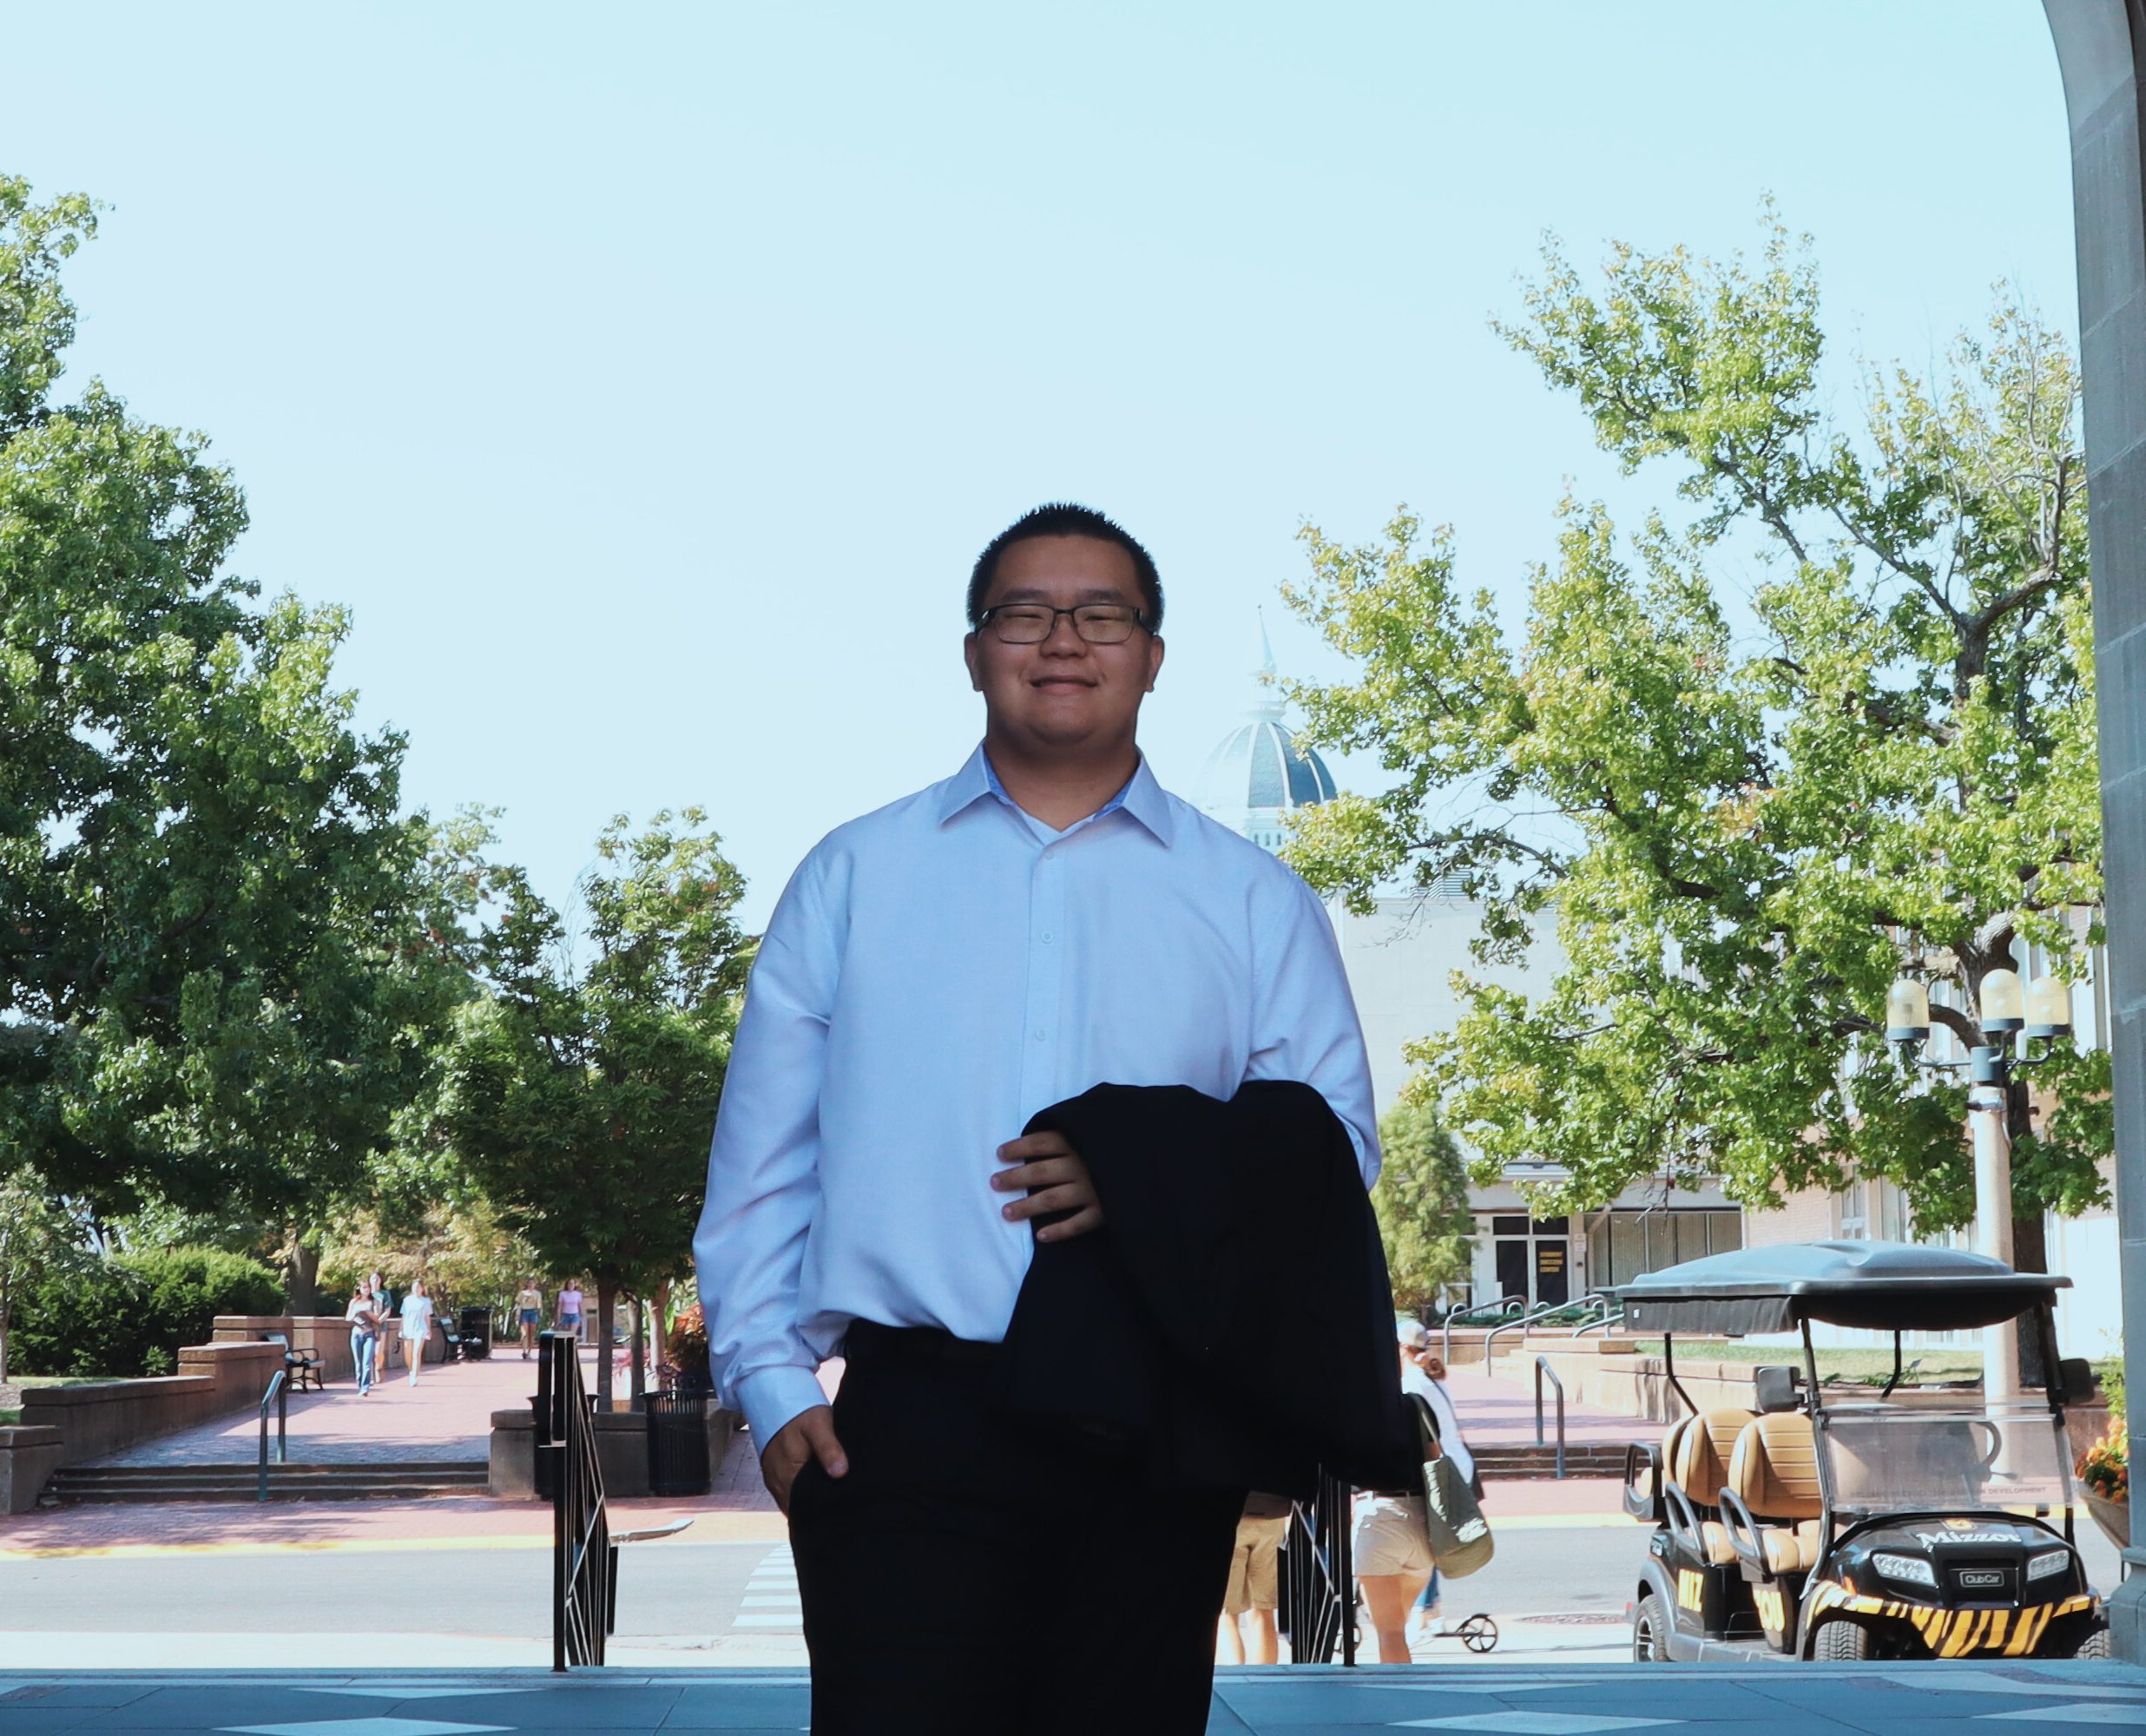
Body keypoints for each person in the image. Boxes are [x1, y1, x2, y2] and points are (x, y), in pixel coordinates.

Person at [694, 503, 1379, 1734]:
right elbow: (761, 1161)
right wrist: (770, 1380)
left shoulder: (1254, 902)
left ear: (1152, 655)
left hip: (1153, 1426)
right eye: (1025, 612)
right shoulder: (855, 876)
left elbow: (1334, 1151)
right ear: (975, 650)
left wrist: (1150, 1168)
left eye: (1102, 614)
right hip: (903, 1429)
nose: (1063, 639)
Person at [1397, 1319, 1477, 1646]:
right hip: (1458, 1466)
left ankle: (1422, 1612)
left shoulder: (1413, 1384)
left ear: (1403, 1348)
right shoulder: (1430, 1379)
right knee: (1433, 1539)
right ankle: (1431, 1610)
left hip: (1442, 1470)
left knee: (1427, 1542)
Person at [1216, 1495, 1290, 1666]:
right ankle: (1264, 1678)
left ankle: (1237, 1677)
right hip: (1272, 1512)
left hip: (1230, 1513)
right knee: (1263, 1611)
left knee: (1226, 1613)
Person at [345, 1279, 380, 1397]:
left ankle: (365, 1387)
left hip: (369, 1334)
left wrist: (368, 1312)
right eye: (363, 1287)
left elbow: (377, 1319)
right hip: (356, 1334)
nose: (366, 1289)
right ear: (359, 1288)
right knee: (358, 1363)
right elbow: (348, 1317)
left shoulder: (374, 1302)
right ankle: (360, 1385)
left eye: (368, 1287)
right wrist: (355, 1313)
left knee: (367, 1362)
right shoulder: (354, 1302)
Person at [399, 1277, 436, 1386]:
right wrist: (401, 1329)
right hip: (408, 1327)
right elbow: (404, 1316)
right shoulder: (407, 1300)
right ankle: (411, 1370)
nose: (416, 1289)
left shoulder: (426, 1301)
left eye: (418, 1287)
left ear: (422, 1289)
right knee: (408, 1353)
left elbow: (427, 1317)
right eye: (414, 1287)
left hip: (420, 1328)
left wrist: (429, 1330)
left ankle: (414, 1376)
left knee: (416, 1353)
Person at [368, 1271, 392, 1386]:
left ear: (381, 1281)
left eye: (377, 1279)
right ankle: (371, 1376)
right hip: (367, 1327)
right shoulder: (366, 1293)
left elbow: (387, 1311)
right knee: (369, 1352)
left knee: (378, 1352)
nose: (375, 1281)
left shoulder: (385, 1294)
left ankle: (379, 1367)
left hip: (381, 1326)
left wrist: (378, 1321)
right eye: (372, 1279)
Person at [517, 1279, 544, 1358]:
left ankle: (529, 1352)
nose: (531, 1284)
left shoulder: (537, 1293)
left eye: (533, 1283)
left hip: (533, 1312)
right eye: (529, 1283)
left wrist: (540, 1312)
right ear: (527, 1284)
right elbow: (518, 1303)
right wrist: (517, 1314)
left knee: (531, 1334)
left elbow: (539, 1304)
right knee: (525, 1333)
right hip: (524, 1312)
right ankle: (524, 1351)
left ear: (535, 1284)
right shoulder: (522, 1293)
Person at [556, 1279, 584, 1345]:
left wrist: (581, 1316)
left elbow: (580, 1306)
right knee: (566, 1334)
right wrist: (558, 1318)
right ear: (567, 1285)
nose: (571, 1285)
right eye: (569, 1284)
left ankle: (572, 1348)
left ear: (574, 1285)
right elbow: (559, 1307)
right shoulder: (562, 1294)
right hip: (565, 1315)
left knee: (572, 1333)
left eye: (572, 1284)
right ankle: (567, 1348)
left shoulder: (578, 1294)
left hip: (575, 1315)